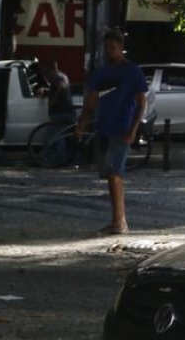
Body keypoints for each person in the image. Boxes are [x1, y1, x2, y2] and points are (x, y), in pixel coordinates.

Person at [77, 28, 149, 235]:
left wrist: (134, 129)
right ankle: (118, 219)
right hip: (104, 127)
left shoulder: (133, 72)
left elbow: (141, 102)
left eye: (114, 48)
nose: (110, 51)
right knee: (109, 174)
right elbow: (91, 102)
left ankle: (120, 221)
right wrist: (83, 122)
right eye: (107, 48)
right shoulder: (101, 73)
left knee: (114, 172)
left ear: (121, 48)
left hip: (122, 127)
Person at [35, 60, 75, 125]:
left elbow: (61, 86)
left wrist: (52, 101)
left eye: (46, 71)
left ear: (50, 69)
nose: (46, 75)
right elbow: (57, 88)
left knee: (55, 133)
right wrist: (44, 89)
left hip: (60, 113)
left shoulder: (57, 77)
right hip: (64, 112)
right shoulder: (62, 75)